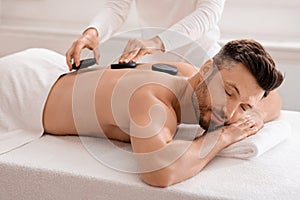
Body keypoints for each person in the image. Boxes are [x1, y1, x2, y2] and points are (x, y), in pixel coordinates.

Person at [0, 39, 283, 187]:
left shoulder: (188, 74)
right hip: (20, 91)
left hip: (50, 67)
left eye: (245, 105)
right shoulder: (152, 102)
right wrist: (224, 137)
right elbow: (160, 172)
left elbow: (275, 101)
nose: (230, 112)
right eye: (228, 93)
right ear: (207, 69)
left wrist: (253, 115)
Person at [66, 0, 225, 70]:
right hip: (156, 62)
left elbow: (208, 13)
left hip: (201, 57)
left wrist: (158, 41)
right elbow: (116, 8)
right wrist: (93, 32)